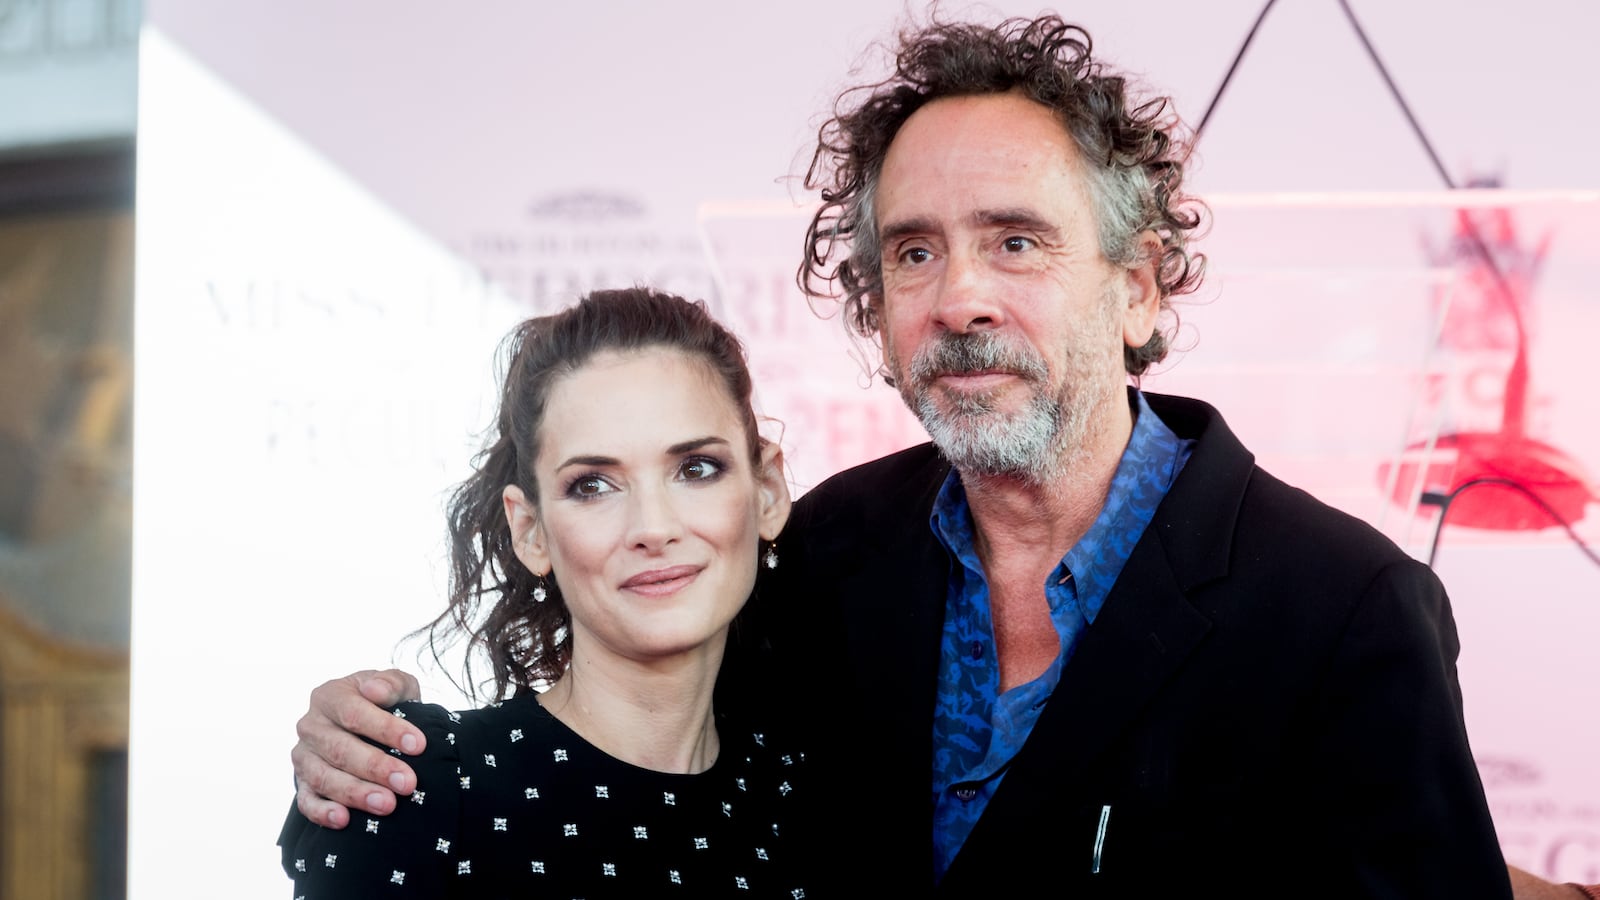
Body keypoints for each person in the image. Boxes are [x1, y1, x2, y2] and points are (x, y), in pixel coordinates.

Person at [287, 13, 1514, 897]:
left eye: (1017, 240)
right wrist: (367, 748)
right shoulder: (825, 557)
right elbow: (643, 745)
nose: (959, 294)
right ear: (872, 306)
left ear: (1138, 288)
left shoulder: (1342, 609)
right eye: (914, 253)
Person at [276, 287, 814, 897]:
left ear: (766, 491)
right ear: (530, 531)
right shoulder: (413, 786)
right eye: (593, 485)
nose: (654, 528)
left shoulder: (823, 802)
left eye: (695, 469)